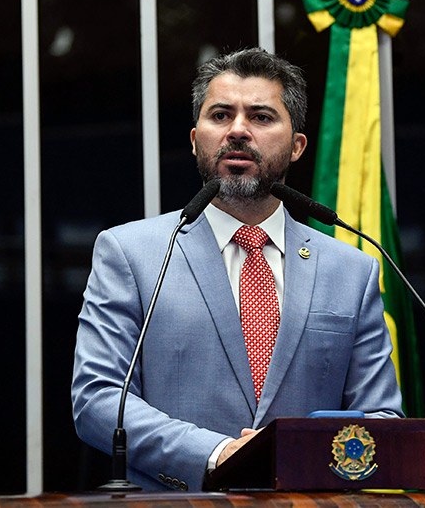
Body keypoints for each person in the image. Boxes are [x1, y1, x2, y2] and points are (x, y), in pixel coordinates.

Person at [71, 47, 404, 492]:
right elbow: (97, 399)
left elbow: (380, 418)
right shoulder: (132, 253)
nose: (238, 131)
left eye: (262, 117)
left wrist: (299, 457)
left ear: (297, 145)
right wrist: (213, 453)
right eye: (221, 115)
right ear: (194, 139)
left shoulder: (352, 269)